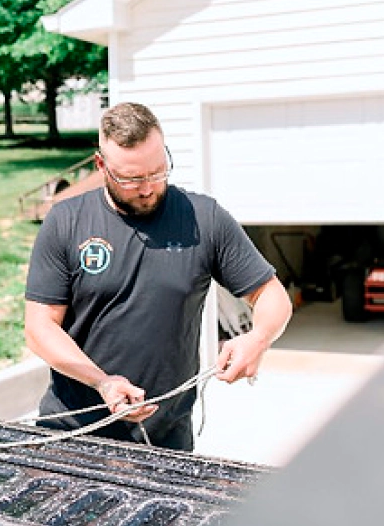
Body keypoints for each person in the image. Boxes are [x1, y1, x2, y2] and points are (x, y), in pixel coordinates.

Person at [24, 102, 292, 451]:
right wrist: (103, 383)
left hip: (166, 440)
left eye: (158, 171)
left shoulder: (204, 219)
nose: (149, 188)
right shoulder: (66, 221)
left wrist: (258, 338)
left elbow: (272, 296)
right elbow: (39, 328)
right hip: (71, 433)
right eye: (132, 178)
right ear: (101, 165)